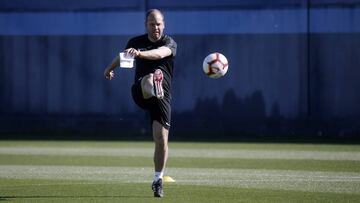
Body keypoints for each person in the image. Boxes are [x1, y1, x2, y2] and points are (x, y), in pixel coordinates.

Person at [103, 9, 177, 198]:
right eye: (152, 24)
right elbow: (123, 58)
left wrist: (140, 54)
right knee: (149, 80)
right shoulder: (135, 42)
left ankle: (157, 180)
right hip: (141, 92)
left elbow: (161, 54)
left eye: (159, 23)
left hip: (162, 98)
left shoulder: (170, 43)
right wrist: (109, 68)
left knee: (161, 139)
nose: (156, 27)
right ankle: (154, 83)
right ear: (146, 25)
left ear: (164, 25)